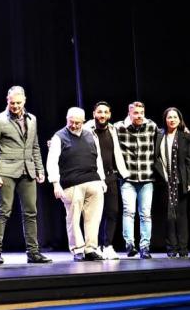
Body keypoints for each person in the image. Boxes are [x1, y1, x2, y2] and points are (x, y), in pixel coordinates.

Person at [0, 86, 52, 265]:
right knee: (4, 210)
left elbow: (35, 146)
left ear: (24, 101)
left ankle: (33, 252)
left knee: (31, 212)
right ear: (7, 100)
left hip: (27, 170)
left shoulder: (32, 119)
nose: (15, 106)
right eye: (12, 102)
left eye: (18, 103)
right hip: (5, 171)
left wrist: (40, 170)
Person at [47, 107, 106, 262]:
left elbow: (98, 158)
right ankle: (77, 249)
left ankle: (90, 249)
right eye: (71, 122)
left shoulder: (90, 135)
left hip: (93, 181)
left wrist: (102, 180)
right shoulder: (59, 137)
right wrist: (55, 183)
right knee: (73, 219)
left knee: (93, 218)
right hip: (71, 184)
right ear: (67, 119)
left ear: (84, 121)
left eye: (77, 123)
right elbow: (52, 161)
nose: (73, 125)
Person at [83, 102, 129, 260]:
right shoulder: (86, 129)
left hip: (110, 176)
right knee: (94, 214)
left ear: (109, 115)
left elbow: (134, 121)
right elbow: (69, 132)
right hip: (94, 177)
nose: (102, 115)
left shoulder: (113, 129)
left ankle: (107, 245)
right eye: (99, 112)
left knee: (112, 212)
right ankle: (92, 247)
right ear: (94, 113)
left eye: (105, 112)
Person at [114, 101, 158, 259]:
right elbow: (98, 129)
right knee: (129, 212)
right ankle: (130, 244)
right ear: (129, 113)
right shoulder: (119, 127)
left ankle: (145, 247)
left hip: (146, 178)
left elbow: (164, 136)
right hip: (128, 178)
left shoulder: (151, 126)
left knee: (145, 214)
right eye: (136, 113)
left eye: (141, 113)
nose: (139, 116)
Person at [154, 107, 190, 258]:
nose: (172, 120)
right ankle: (171, 248)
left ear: (179, 119)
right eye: (169, 117)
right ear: (165, 119)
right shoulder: (159, 135)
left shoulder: (185, 137)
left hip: (180, 181)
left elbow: (189, 160)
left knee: (182, 215)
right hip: (164, 182)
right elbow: (155, 157)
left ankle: (183, 248)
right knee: (169, 216)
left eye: (175, 117)